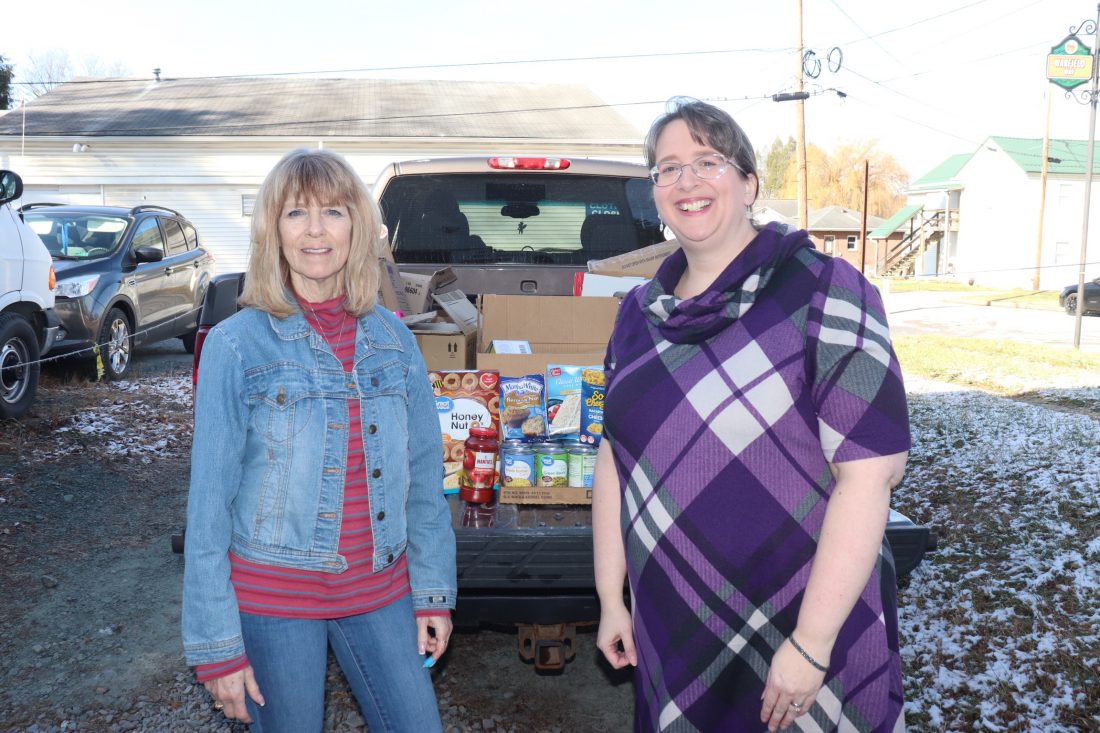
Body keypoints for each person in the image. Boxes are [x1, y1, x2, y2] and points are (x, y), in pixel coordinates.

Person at [593, 98, 911, 732]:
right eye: (667, 168)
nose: (686, 181)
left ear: (749, 182)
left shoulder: (826, 289)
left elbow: (872, 474)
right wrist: (611, 597)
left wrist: (812, 644)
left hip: (803, 617)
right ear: (653, 191)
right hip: (675, 620)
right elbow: (615, 457)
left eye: (707, 161)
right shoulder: (637, 314)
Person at [182, 147, 456, 732]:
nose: (314, 230)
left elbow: (425, 479)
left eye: (332, 211)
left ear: (356, 225)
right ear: (271, 230)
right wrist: (217, 646)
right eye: (295, 213)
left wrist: (432, 591)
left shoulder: (394, 341)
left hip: (379, 590)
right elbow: (207, 509)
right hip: (273, 600)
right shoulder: (236, 346)